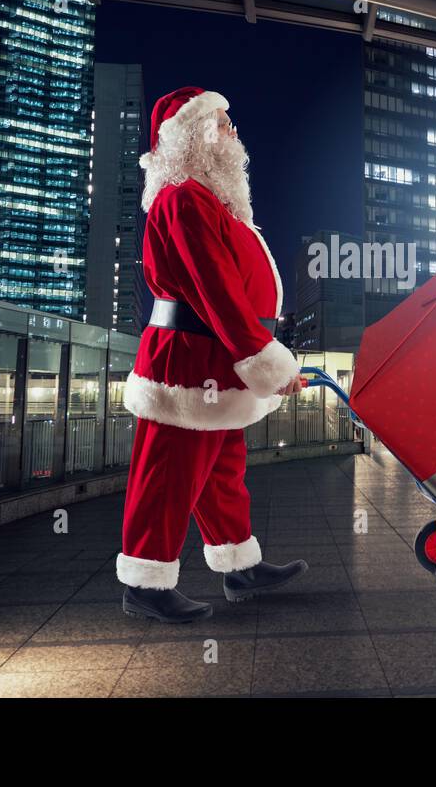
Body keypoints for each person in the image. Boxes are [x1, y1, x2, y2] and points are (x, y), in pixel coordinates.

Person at [118, 86, 307, 623]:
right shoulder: (182, 198)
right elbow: (216, 292)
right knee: (168, 473)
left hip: (214, 359)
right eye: (223, 122)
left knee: (221, 469)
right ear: (195, 134)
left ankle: (239, 566)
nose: (233, 130)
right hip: (184, 361)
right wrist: (266, 362)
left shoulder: (206, 197)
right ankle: (144, 584)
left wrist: (259, 356)